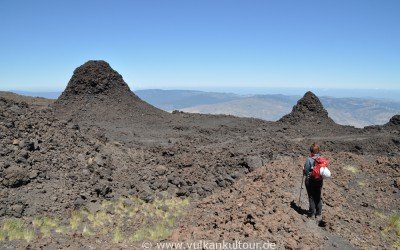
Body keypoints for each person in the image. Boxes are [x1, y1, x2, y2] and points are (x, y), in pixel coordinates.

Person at [303, 143, 324, 220]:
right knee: (318, 196)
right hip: (319, 180)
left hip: (310, 180)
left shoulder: (309, 159)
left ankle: (311, 213)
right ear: (318, 151)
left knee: (311, 196)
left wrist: (304, 170)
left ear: (311, 151)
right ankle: (318, 213)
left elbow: (306, 171)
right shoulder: (321, 159)